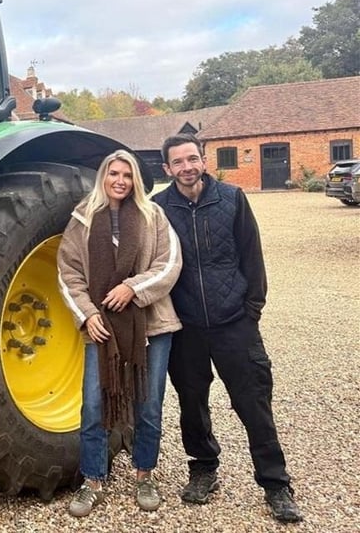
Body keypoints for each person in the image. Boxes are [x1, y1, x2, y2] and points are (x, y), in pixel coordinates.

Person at [153, 133, 302, 523]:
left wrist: (252, 308)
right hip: (186, 326)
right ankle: (204, 467)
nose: (186, 167)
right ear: (167, 168)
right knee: (192, 403)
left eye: (192, 159)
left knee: (253, 402)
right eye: (177, 162)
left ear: (203, 160)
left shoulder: (232, 199)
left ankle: (275, 483)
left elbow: (252, 254)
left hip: (234, 322)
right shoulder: (158, 208)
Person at [57, 149, 183, 517]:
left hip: (151, 325)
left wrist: (132, 288)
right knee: (94, 405)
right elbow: (68, 273)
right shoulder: (82, 219)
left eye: (127, 175)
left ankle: (144, 475)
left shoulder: (152, 216)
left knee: (148, 403)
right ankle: (93, 480)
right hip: (101, 329)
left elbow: (169, 264)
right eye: (114, 173)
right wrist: (86, 315)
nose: (120, 181)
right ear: (103, 176)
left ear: (136, 181)